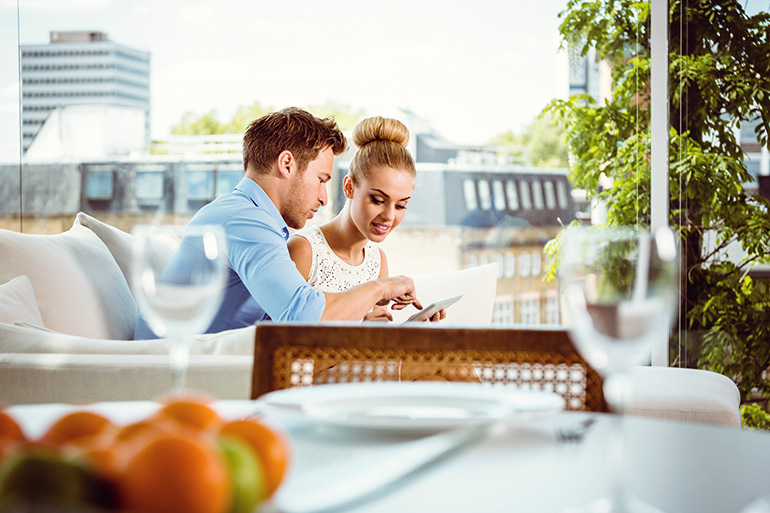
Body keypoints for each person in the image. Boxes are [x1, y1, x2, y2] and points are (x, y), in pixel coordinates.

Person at [135, 107, 422, 339]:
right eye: (321, 180)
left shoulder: (246, 215)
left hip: (200, 360)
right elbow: (302, 316)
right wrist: (383, 287)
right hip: (177, 369)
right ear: (287, 164)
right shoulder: (246, 220)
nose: (324, 198)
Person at [288, 116, 445, 323]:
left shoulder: (377, 261)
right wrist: (358, 331)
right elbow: (278, 339)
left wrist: (407, 333)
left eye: (401, 205)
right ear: (349, 187)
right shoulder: (304, 250)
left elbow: (369, 349)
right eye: (378, 200)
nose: (389, 216)